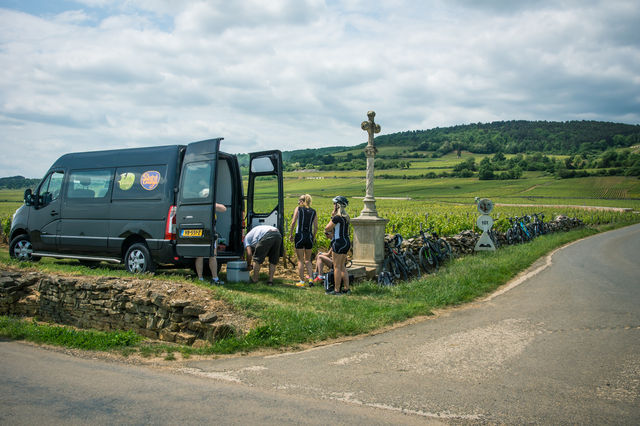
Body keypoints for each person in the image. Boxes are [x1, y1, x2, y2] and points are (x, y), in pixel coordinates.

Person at [324, 195, 351, 295]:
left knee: (337, 267)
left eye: (334, 204)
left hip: (338, 243)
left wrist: (332, 216)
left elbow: (327, 228)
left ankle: (336, 290)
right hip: (346, 242)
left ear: (337, 205)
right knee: (343, 267)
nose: (333, 205)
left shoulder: (337, 217)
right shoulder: (346, 217)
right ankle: (346, 288)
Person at [289, 194, 317, 287]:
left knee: (300, 260)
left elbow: (293, 222)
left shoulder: (299, 209)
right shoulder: (313, 211)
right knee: (308, 260)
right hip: (309, 236)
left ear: (301, 201)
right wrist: (313, 237)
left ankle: (301, 281)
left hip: (300, 235)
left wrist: (290, 234)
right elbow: (316, 227)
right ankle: (311, 280)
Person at [195, 203, 227, 285]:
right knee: (205, 256)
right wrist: (213, 204)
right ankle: (209, 278)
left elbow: (224, 209)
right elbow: (223, 209)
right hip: (205, 232)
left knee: (210, 256)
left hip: (208, 233)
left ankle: (207, 278)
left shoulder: (203, 206)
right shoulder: (203, 206)